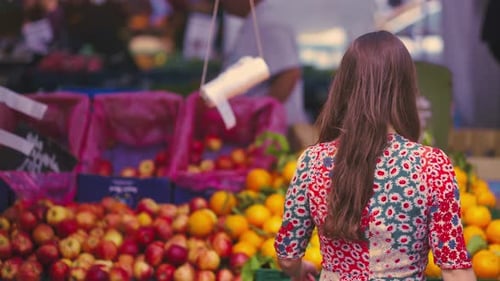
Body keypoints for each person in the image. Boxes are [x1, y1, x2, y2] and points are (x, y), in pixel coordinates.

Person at [274, 30, 476, 281]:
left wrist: (299, 270)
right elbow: (455, 269)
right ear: (405, 88)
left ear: (345, 85)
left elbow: (287, 255)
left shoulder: (312, 162)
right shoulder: (431, 165)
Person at [220, 0, 309, 127]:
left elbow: (289, 74)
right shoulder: (256, 21)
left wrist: (257, 118)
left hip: (274, 132)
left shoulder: (269, 23)